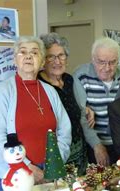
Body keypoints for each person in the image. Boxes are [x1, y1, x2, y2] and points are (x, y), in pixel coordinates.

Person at [0, 36, 72, 190]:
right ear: (15, 59)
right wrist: (27, 167)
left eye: (34, 53)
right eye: (22, 52)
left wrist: (54, 162)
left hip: (49, 171)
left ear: (42, 61)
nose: (28, 57)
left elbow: (65, 129)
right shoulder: (3, 92)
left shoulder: (50, 91)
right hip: (16, 173)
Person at [38, 32, 93, 176]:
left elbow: (77, 104)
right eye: (51, 56)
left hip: (79, 150)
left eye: (61, 55)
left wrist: (86, 109)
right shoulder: (38, 85)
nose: (58, 61)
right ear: (43, 60)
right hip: (57, 152)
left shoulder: (69, 80)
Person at [74, 37, 120, 166]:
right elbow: (81, 115)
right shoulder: (81, 75)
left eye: (112, 62)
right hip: (93, 145)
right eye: (101, 62)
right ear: (93, 59)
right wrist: (97, 145)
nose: (107, 67)